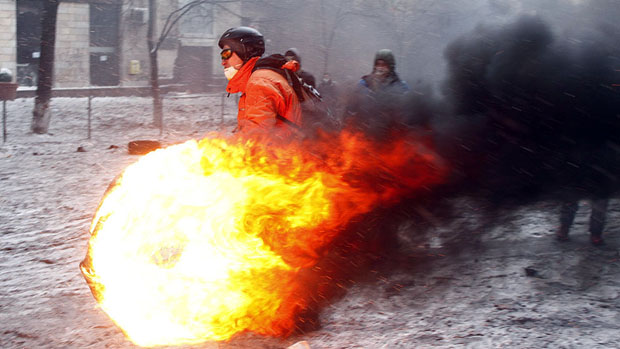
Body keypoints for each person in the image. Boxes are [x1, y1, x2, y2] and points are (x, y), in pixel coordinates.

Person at [218, 27, 302, 138]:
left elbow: (255, 137)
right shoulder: (264, 77)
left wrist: (224, 149)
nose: (223, 62)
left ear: (244, 51)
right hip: (285, 150)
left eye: (226, 54)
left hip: (284, 153)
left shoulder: (259, 83)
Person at [343, 49, 410, 135]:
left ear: (390, 66)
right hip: (366, 132)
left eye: (384, 65)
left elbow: (407, 110)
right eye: (378, 64)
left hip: (391, 133)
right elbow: (353, 104)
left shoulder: (400, 85)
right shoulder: (365, 82)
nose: (380, 67)